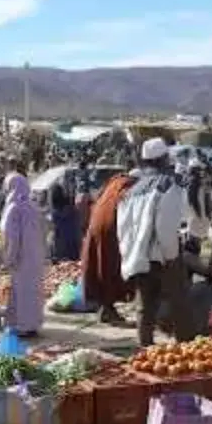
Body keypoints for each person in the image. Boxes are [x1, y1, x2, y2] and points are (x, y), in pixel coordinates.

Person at [118, 137, 190, 346]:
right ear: (164, 159)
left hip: (138, 256)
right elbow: (166, 227)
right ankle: (184, 350)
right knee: (178, 303)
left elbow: (123, 228)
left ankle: (145, 348)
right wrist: (171, 257)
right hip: (161, 256)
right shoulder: (168, 185)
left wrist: (132, 255)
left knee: (145, 306)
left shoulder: (132, 190)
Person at [80, 172, 136, 326]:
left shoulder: (111, 187)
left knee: (100, 267)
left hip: (97, 229)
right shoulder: (127, 188)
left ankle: (106, 308)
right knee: (111, 269)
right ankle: (108, 308)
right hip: (111, 231)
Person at [0, 171, 45, 337]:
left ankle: (23, 326)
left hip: (21, 258)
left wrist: (9, 259)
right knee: (33, 291)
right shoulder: (33, 206)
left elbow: (12, 238)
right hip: (35, 257)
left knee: (22, 292)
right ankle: (33, 324)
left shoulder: (13, 209)